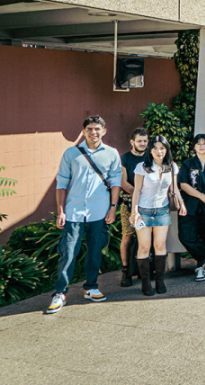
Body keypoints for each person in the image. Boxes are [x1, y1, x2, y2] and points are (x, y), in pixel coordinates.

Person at [46, 116, 122, 314]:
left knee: (95, 250)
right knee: (68, 252)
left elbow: (115, 182)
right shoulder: (71, 153)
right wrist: (61, 211)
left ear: (104, 131)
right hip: (74, 211)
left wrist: (113, 207)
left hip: (99, 211)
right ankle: (60, 293)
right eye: (89, 129)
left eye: (97, 128)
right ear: (84, 131)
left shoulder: (112, 154)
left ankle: (91, 287)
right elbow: (62, 183)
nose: (93, 132)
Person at [131, 135, 184, 296]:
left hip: (162, 210)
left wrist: (182, 204)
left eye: (162, 148)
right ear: (150, 150)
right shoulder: (142, 167)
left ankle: (160, 281)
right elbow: (137, 190)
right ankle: (146, 283)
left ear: (166, 149)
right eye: (155, 148)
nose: (159, 151)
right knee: (144, 246)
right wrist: (135, 211)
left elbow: (174, 189)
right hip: (144, 211)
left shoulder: (172, 166)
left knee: (160, 245)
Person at [178, 134, 205, 282]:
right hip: (191, 204)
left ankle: (202, 267)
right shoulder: (187, 164)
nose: (201, 146)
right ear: (194, 146)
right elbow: (183, 184)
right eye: (198, 143)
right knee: (186, 235)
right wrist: (201, 196)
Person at [118, 128, 148, 287]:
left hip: (149, 204)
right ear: (132, 142)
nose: (142, 144)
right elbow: (123, 183)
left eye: (145, 141)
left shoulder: (151, 156)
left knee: (147, 237)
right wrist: (138, 193)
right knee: (128, 236)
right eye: (139, 141)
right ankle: (126, 271)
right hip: (129, 203)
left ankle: (147, 270)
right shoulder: (125, 158)